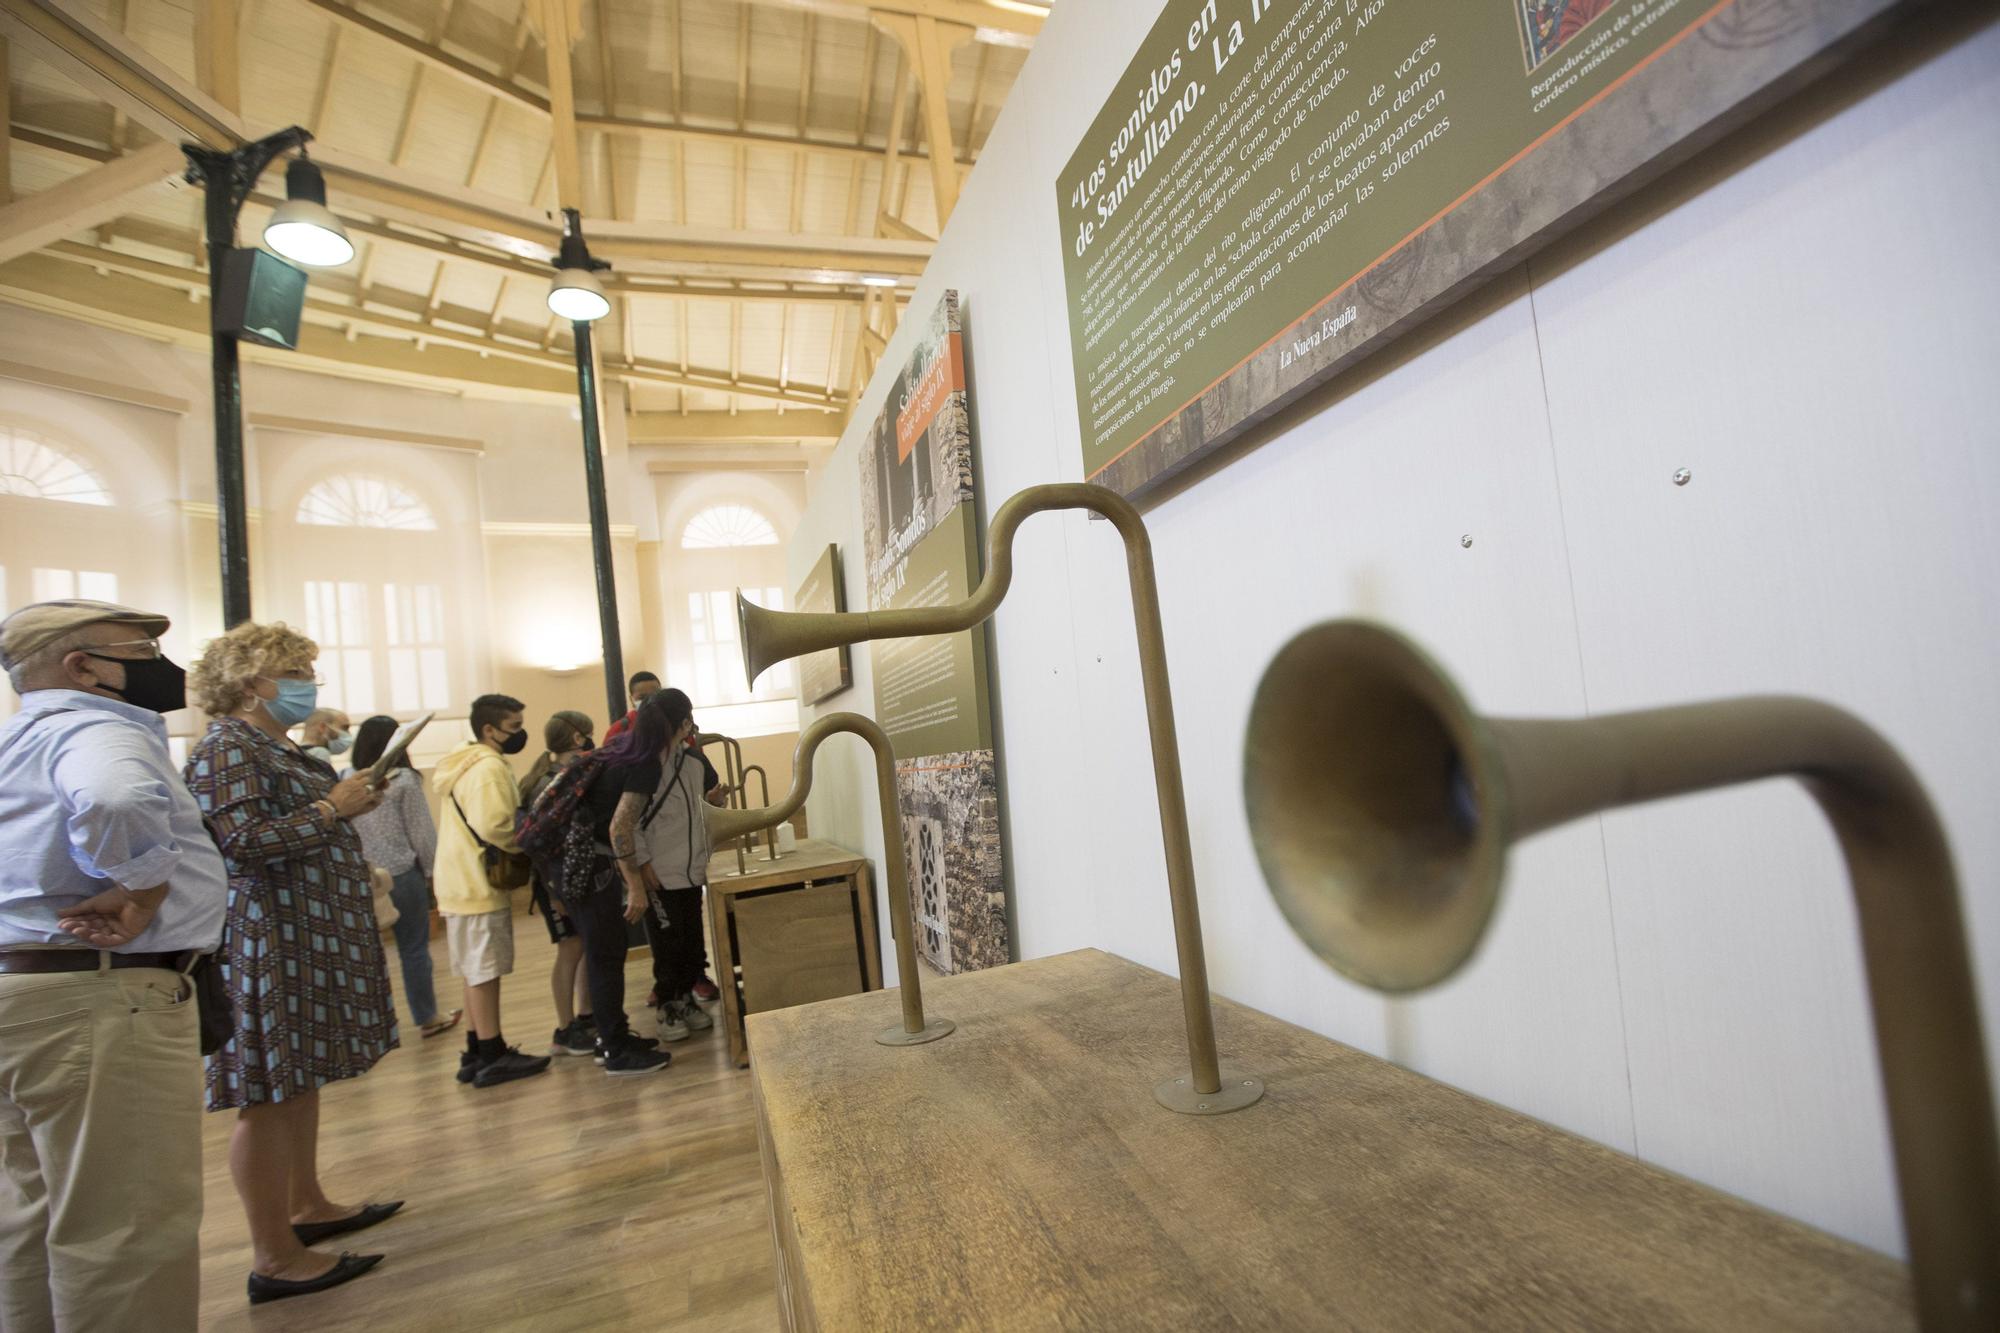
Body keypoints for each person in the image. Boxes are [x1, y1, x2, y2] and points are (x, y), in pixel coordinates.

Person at [0, 600, 227, 1332]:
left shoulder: (17, 741)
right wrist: (143, 885)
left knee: (31, 1220)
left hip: (25, 992)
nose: (161, 664)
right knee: (125, 1234)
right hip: (98, 1000)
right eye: (139, 649)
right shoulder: (94, 728)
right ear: (84, 666)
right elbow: (115, 795)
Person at [183, 620, 399, 1305]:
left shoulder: (266, 743)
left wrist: (347, 802)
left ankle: (305, 1206)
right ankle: (272, 1255)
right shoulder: (225, 746)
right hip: (266, 940)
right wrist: (333, 809)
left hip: (305, 938)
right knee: (268, 1094)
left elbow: (302, 818)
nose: (310, 685)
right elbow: (240, 841)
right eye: (297, 673)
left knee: (298, 1082)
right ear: (252, 685)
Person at [431, 694, 550, 1089]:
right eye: (514, 727)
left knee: (472, 969)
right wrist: (529, 840)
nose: (520, 734)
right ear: (489, 730)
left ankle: (474, 1050)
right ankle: (492, 1052)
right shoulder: (487, 769)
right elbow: (496, 825)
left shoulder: (461, 759)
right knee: (484, 970)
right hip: (478, 880)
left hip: (457, 877)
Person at [607, 689, 718, 1042]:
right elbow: (629, 821)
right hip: (658, 872)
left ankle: (685, 999)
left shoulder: (695, 761)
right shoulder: (644, 762)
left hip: (690, 869)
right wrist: (642, 864)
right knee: (667, 944)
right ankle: (667, 1005)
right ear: (683, 721)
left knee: (691, 940)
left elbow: (702, 801)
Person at [348, 715, 460, 1040]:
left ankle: (367, 1026)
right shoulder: (405, 781)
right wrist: (433, 874)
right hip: (401, 875)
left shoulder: (349, 781)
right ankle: (427, 1016)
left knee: (365, 955)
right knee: (413, 949)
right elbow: (422, 834)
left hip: (364, 877)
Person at [520, 710, 596, 1056]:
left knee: (582, 947)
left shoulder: (556, 773)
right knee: (570, 951)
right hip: (555, 880)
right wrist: (554, 893)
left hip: (564, 878)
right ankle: (564, 1028)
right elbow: (540, 843)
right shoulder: (549, 781)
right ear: (578, 738)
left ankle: (584, 1016)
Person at [600, 670, 660, 744]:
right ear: (631, 700)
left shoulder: (674, 722)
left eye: (655, 695)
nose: (649, 700)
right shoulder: (619, 729)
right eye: (642, 697)